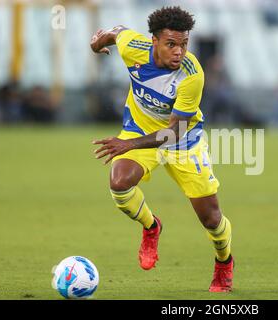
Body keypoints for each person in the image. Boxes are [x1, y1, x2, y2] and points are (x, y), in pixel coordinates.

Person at [89, 6, 234, 292]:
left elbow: (175, 131)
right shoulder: (134, 47)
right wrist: (97, 43)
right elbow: (116, 32)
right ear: (154, 41)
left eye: (183, 44)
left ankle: (224, 262)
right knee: (119, 183)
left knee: (211, 219)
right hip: (140, 130)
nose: (179, 51)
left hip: (183, 142)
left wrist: (126, 144)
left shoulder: (192, 75)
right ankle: (151, 226)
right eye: (171, 44)